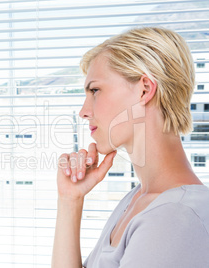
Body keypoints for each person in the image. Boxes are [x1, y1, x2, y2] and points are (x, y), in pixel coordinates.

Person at [51, 27, 209, 268]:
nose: (83, 111)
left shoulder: (175, 216)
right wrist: (70, 200)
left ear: (144, 89)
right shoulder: (137, 199)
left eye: (95, 90)